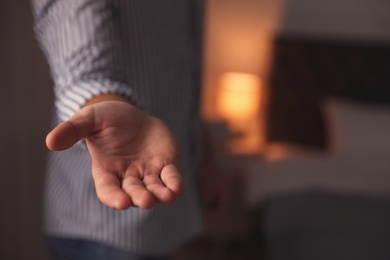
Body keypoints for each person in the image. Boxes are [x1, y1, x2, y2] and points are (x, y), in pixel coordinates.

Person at [31, 0, 215, 259]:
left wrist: (204, 153)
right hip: (99, 224)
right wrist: (102, 104)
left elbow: (182, 67)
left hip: (165, 210)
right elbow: (79, 49)